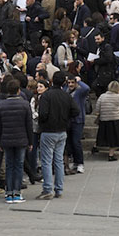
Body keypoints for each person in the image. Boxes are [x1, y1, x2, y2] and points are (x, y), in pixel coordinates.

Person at [36, 72, 78, 200]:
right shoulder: (66, 96)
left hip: (48, 130)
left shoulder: (46, 96)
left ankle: (48, 188)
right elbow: (76, 111)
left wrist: (43, 122)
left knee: (47, 160)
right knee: (59, 160)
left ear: (52, 81)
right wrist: (66, 119)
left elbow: (43, 114)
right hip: (62, 130)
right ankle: (59, 188)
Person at [0, 79, 34, 204]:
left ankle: (8, 192)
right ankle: (17, 192)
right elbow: (29, 125)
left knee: (9, 166)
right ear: (18, 91)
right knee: (18, 165)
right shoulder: (25, 104)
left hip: (6, 139)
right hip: (21, 139)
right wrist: (30, 141)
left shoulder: (1, 105)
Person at [94, 81, 119, 161]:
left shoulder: (102, 96)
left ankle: (95, 146)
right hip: (116, 119)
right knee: (114, 139)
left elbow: (97, 108)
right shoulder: (118, 97)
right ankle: (111, 155)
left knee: (102, 136)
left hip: (104, 119)